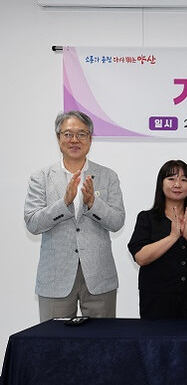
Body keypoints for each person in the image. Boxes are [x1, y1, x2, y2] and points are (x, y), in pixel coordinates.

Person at [24, 110, 125, 321]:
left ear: (90, 139)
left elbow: (117, 222)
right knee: (53, 340)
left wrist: (93, 204)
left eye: (81, 134)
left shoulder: (108, 176)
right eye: (68, 134)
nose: (74, 140)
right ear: (58, 137)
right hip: (55, 277)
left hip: (99, 276)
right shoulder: (41, 177)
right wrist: (64, 203)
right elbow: (33, 223)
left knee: (103, 339)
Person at [128, 160, 187, 319]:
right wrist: (173, 236)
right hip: (156, 299)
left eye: (184, 180)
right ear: (161, 184)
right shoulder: (147, 218)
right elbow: (141, 258)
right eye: (171, 179)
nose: (177, 184)